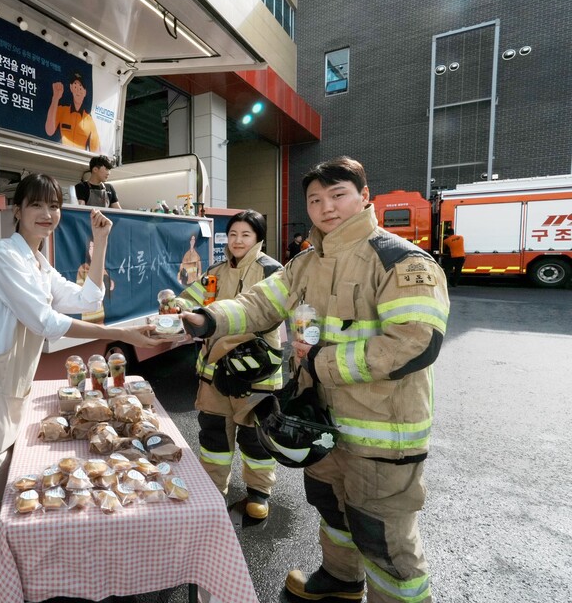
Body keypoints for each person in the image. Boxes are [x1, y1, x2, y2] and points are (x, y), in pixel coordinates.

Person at [181, 157, 449, 603]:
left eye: (338, 195)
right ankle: (341, 580)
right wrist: (208, 319)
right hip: (319, 421)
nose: (326, 207)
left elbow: (414, 343)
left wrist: (322, 362)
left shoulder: (399, 260)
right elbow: (259, 304)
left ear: (364, 196)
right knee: (332, 507)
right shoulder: (305, 263)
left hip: (383, 433)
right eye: (315, 199)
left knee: (384, 540)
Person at [0, 173, 160, 602]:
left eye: (54, 206)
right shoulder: (4, 256)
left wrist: (101, 243)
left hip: (9, 390)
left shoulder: (39, 264)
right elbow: (45, 321)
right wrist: (125, 334)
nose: (47, 214)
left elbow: (88, 300)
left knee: (3, 501)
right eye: (37, 205)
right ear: (17, 210)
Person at [177, 210, 284, 522]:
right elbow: (192, 297)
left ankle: (259, 492)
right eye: (233, 234)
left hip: (256, 371)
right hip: (214, 370)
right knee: (214, 434)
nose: (238, 240)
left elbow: (276, 314)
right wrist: (178, 305)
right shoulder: (215, 271)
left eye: (245, 235)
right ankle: (214, 490)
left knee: (256, 436)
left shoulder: (272, 271)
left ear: (258, 238)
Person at [44, 71, 100, 152]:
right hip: (61, 155)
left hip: (78, 159)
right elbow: (49, 131)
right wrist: (55, 98)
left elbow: (95, 150)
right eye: (75, 86)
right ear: (71, 88)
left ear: (85, 92)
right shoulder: (62, 110)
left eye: (80, 88)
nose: (78, 91)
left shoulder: (89, 121)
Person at [75, 238, 114, 324]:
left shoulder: (102, 269)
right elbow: (80, 291)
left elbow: (110, 287)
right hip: (88, 318)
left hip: (100, 315)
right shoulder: (83, 268)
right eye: (90, 247)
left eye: (95, 247)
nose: (92, 250)